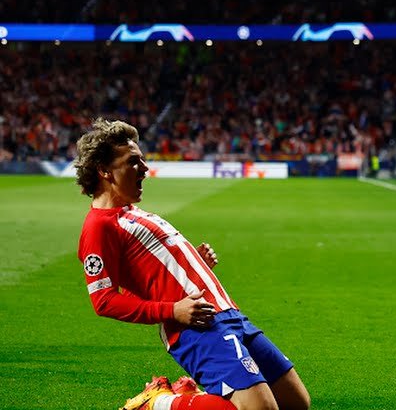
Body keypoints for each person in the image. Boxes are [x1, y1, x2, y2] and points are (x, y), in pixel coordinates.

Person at [75, 119, 310, 410]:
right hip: (197, 326)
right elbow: (104, 301)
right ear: (104, 171)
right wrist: (173, 310)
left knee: (296, 403)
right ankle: (159, 402)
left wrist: (195, 263)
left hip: (230, 313)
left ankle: (187, 398)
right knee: (261, 409)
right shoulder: (99, 226)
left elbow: (148, 275)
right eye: (133, 162)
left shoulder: (132, 213)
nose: (145, 168)